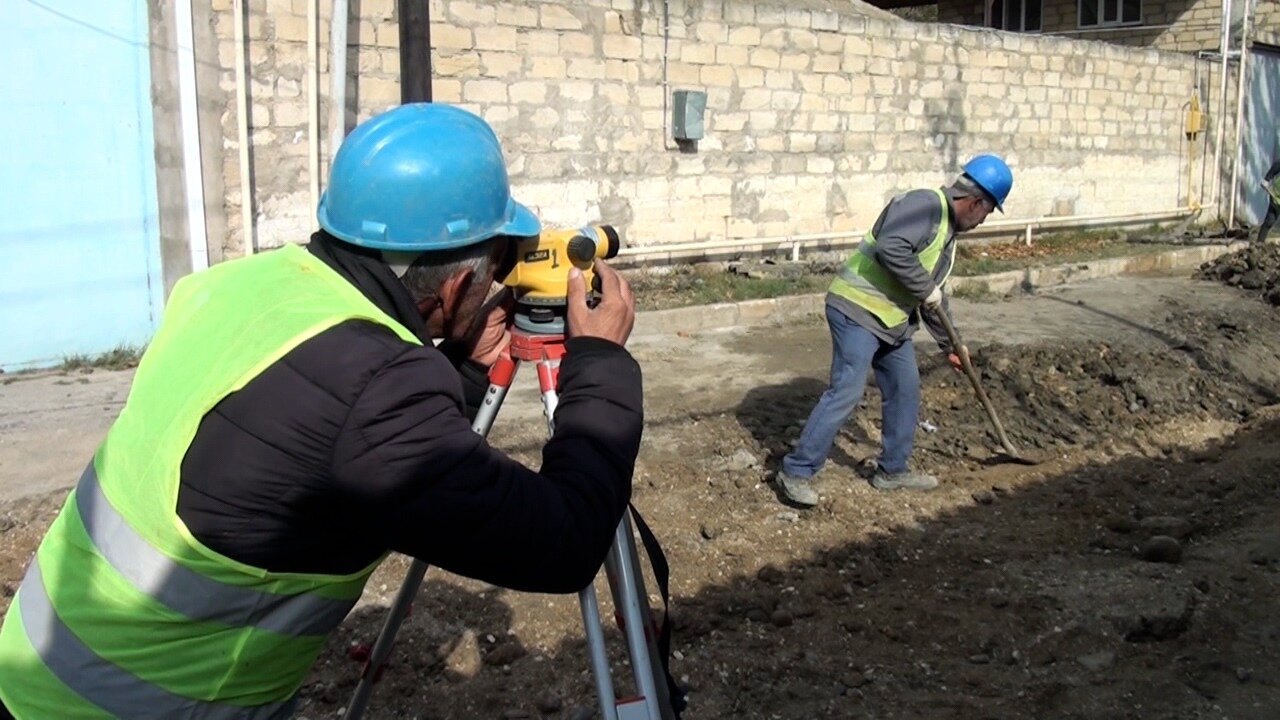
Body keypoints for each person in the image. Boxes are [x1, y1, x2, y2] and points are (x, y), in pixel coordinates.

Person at [0, 104, 642, 718]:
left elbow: (312, 432)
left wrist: (468, 370)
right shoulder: (375, 396)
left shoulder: (238, 286)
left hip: (37, 669)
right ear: (454, 285)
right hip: (149, 705)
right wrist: (599, 360)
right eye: (498, 259)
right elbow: (566, 542)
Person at [775, 155, 1013, 507]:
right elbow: (891, 249)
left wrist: (952, 344)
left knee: (905, 389)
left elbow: (932, 298)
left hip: (892, 320)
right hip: (856, 308)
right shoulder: (924, 206)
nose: (983, 221)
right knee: (847, 390)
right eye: (988, 213)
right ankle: (795, 471)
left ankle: (892, 471)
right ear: (976, 203)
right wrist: (926, 289)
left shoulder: (946, 233)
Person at [1257, 153, 1280, 244]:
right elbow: (1277, 165)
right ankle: (1259, 244)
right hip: (1276, 196)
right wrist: (1267, 179)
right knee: (1269, 221)